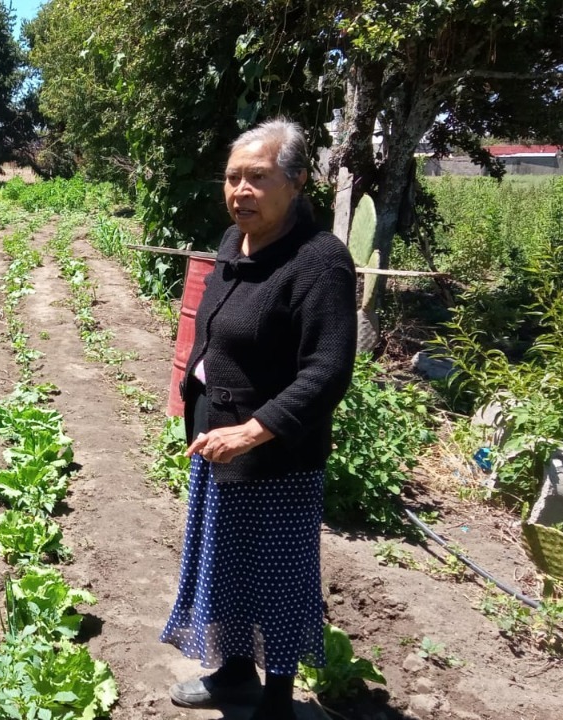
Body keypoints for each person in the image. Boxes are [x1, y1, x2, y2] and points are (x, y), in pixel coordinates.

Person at [159, 118, 357, 720]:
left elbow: (327, 371)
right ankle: (235, 673)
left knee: (276, 580)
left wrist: (253, 431)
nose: (241, 191)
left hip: (275, 458)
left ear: (296, 182)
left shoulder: (319, 263)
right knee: (225, 567)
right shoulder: (233, 241)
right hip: (217, 440)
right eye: (232, 178)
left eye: (258, 178)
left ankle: (277, 700)